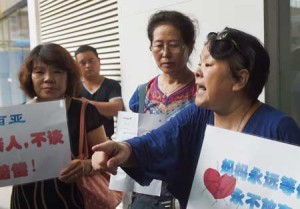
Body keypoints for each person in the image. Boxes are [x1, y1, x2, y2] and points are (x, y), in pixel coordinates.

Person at [91, 27, 300, 209]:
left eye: (208, 65)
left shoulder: (278, 129)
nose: (198, 72)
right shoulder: (197, 116)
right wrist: (124, 149)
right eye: (200, 63)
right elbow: (158, 141)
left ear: (240, 79)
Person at [10, 43, 109, 209]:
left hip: (71, 200)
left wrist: (87, 165)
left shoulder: (84, 111)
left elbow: (106, 157)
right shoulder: (19, 115)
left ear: (69, 76)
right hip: (24, 200)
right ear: (30, 77)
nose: (48, 78)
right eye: (39, 72)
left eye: (57, 71)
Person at [127, 10, 197, 209]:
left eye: (174, 45)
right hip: (146, 195)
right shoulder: (141, 94)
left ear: (190, 46)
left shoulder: (202, 93)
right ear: (151, 47)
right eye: (159, 45)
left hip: (189, 195)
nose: (165, 53)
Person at [75, 45, 124, 139]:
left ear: (99, 61)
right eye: (82, 63)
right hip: (80, 143)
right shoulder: (74, 87)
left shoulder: (111, 85)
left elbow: (116, 108)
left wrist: (84, 103)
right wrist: (103, 110)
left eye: (91, 61)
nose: (88, 65)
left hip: (106, 141)